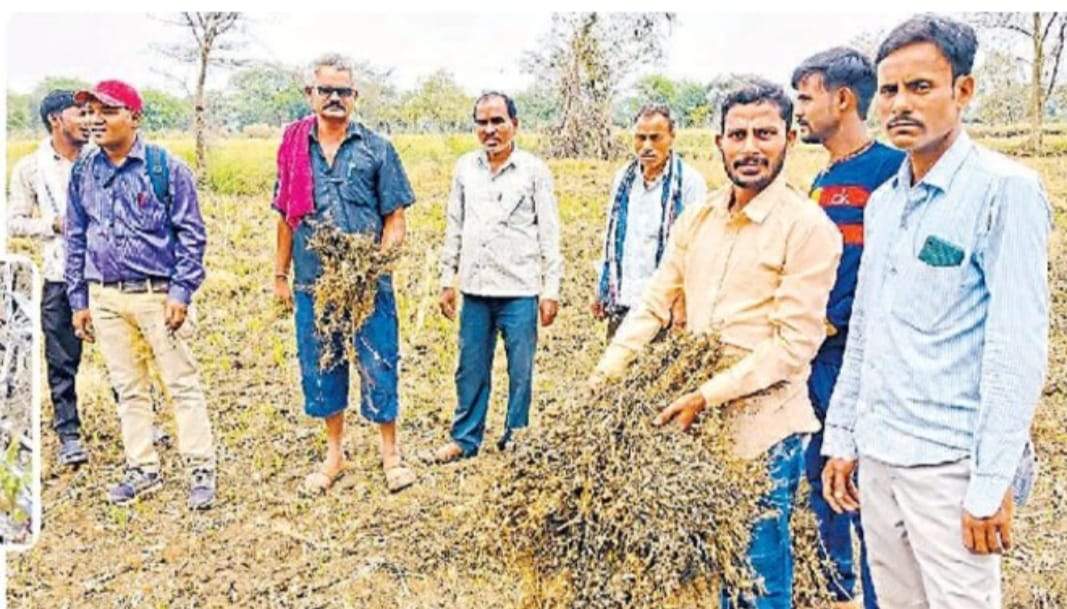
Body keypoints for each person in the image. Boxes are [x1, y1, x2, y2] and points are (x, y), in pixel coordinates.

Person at [821, 15, 1052, 609]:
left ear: (963, 91)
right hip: (880, 455)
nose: (901, 104)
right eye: (891, 90)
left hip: (948, 466)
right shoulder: (886, 203)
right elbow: (867, 330)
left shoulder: (1004, 192)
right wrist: (843, 435)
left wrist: (990, 480)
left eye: (921, 87)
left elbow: (1016, 345)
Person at [592, 79, 842, 609]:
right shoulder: (700, 217)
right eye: (739, 134)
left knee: (759, 570)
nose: (751, 147)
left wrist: (707, 394)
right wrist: (604, 376)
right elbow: (655, 303)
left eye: (765, 133)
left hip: (765, 425)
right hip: (701, 421)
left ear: (789, 139)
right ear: (718, 143)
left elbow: (793, 346)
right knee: (720, 564)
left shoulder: (808, 228)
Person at [66, 80, 217, 509]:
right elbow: (76, 235)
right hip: (106, 298)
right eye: (89, 111)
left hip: (157, 295)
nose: (95, 119)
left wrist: (181, 292)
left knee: (181, 384)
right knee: (128, 388)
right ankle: (142, 467)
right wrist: (79, 300)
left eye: (108, 111)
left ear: (134, 117)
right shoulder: (84, 170)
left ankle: (200, 468)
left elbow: (192, 236)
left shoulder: (165, 168)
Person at [791, 46, 906, 609]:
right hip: (815, 358)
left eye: (806, 98)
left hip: (856, 361)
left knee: (862, 491)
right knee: (823, 485)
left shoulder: (890, 171)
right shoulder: (820, 178)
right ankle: (836, 590)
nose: (799, 112)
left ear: (842, 99)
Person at [272, 53, 417, 494]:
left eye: (344, 92)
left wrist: (378, 260)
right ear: (310, 95)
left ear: (355, 97)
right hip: (314, 281)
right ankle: (334, 454)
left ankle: (390, 454)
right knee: (322, 363)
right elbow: (285, 216)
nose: (335, 99)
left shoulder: (377, 148)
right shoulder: (295, 147)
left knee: (378, 359)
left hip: (367, 282)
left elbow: (394, 217)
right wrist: (280, 275)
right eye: (326, 91)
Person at [428, 91, 563, 462]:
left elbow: (549, 233)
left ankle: (515, 437)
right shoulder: (464, 169)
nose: (491, 130)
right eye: (483, 123)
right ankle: (465, 438)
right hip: (475, 289)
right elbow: (454, 225)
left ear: (514, 125)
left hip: (519, 290)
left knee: (521, 371)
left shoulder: (534, 171)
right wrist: (446, 279)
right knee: (469, 368)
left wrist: (550, 290)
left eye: (498, 121)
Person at [6, 90, 91, 467]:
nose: (89, 121)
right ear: (57, 120)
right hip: (59, 274)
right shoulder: (31, 168)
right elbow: (13, 221)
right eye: (80, 114)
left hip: (104, 272)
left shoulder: (99, 159)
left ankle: (137, 422)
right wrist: (53, 224)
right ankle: (68, 432)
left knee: (124, 352)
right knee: (61, 357)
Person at [593, 103, 707, 338]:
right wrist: (602, 289)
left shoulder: (689, 183)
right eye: (640, 138)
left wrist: (683, 302)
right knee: (616, 372)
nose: (647, 146)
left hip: (663, 307)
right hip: (625, 301)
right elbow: (611, 237)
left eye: (655, 138)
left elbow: (697, 250)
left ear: (672, 137)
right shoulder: (624, 181)